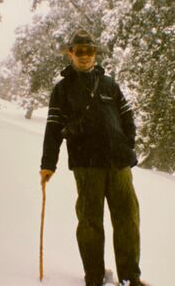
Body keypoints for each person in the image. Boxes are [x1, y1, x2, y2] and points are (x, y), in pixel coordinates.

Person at [40, 29, 144, 286]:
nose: (84, 56)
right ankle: (94, 278)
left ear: (95, 53)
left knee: (128, 221)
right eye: (79, 52)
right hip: (87, 166)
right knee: (89, 224)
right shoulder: (62, 90)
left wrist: (125, 143)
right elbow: (53, 128)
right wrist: (47, 164)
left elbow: (127, 117)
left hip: (119, 164)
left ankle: (130, 278)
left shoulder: (110, 85)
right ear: (71, 54)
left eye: (89, 51)